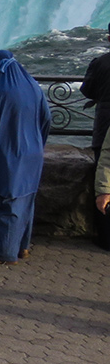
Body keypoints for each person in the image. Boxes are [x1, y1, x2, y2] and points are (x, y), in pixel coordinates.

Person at [0, 50, 51, 265]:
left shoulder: (2, 91)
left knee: (4, 201)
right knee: (26, 200)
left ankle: (0, 253)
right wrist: (37, 143)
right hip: (33, 152)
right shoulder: (33, 86)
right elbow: (47, 118)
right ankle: (22, 247)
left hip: (8, 153)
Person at [81, 25, 110, 249]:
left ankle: (104, 235)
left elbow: (87, 90)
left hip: (104, 121)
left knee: (103, 171)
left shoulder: (100, 63)